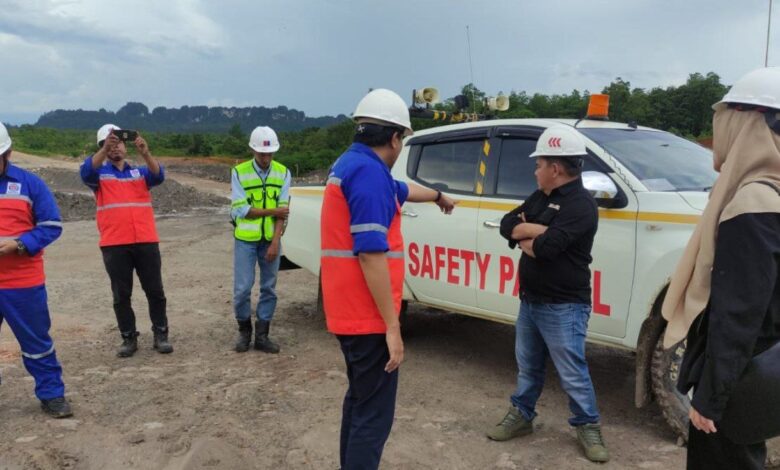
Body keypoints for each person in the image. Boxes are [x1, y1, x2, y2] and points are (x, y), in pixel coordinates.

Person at [320, 88, 455, 470]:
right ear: (395, 137)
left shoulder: (352, 164)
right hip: (367, 316)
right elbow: (370, 253)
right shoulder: (369, 174)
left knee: (361, 402)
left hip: (347, 310)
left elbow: (403, 189)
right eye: (403, 140)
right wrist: (392, 327)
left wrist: (438, 195)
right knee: (373, 416)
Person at [662, 66, 780, 470]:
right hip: (764, 371)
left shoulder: (753, 203)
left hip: (742, 378)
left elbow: (739, 315)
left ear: (745, 123)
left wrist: (711, 399)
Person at [490, 125, 609, 463]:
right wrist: (532, 231)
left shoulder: (582, 205)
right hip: (530, 300)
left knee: (572, 371)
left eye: (539, 164)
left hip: (564, 306)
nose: (535, 170)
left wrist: (528, 234)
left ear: (555, 168)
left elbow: (549, 248)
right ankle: (522, 415)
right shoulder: (541, 196)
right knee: (528, 367)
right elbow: (506, 224)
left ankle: (587, 425)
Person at [80, 124, 173, 357]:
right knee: (121, 295)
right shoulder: (98, 175)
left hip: (145, 240)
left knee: (155, 291)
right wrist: (103, 150)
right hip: (115, 244)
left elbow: (159, 175)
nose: (115, 147)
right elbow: (85, 172)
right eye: (109, 144)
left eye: (118, 142)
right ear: (103, 148)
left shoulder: (140, 172)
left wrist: (146, 153)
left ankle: (161, 334)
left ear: (125, 144)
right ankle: (128, 337)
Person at [0, 122, 72, 418]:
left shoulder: (31, 185)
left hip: (22, 283)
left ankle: (52, 394)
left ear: (8, 152)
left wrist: (19, 243)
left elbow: (51, 226)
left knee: (37, 343)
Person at [230, 126, 290, 354]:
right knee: (243, 289)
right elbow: (242, 210)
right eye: (261, 154)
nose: (266, 158)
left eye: (270, 154)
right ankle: (244, 332)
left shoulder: (283, 173)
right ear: (253, 151)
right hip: (245, 239)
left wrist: (276, 242)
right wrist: (272, 211)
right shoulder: (239, 172)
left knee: (269, 288)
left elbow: (283, 213)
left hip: (270, 240)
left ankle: (262, 335)